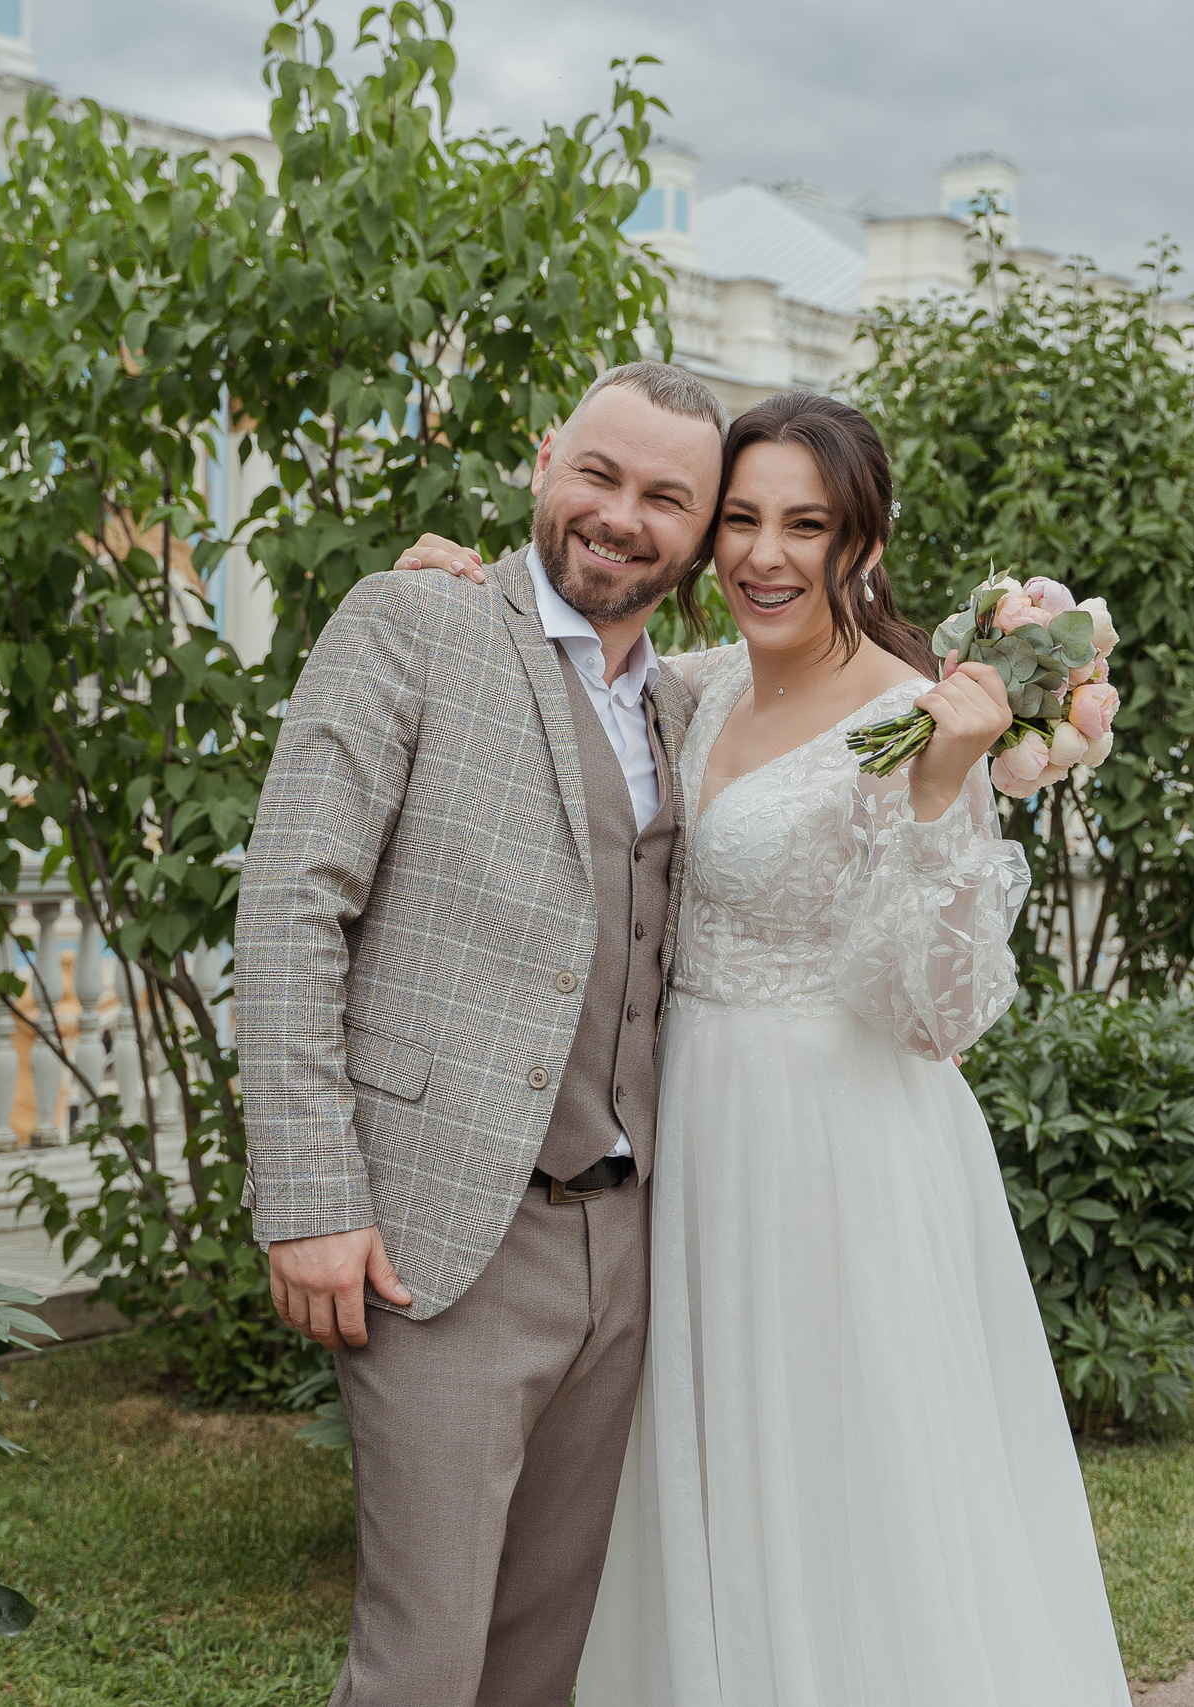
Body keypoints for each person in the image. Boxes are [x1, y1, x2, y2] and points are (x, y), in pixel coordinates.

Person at [391, 392, 1131, 1704]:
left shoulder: (922, 717)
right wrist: (460, 596)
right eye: (740, 519)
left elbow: (938, 1016)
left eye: (807, 524)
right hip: (688, 1134)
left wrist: (945, 787)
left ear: (867, 541)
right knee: (688, 1475)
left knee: (838, 1485)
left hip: (835, 1156)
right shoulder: (701, 685)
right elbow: (553, 702)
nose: (765, 555)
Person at [236, 361, 726, 1707]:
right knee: (425, 1660)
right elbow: (291, 906)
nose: (623, 518)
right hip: (440, 1235)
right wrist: (310, 1198)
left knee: (540, 1660)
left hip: (625, 1246)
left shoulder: (689, 708)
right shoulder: (417, 621)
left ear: (700, 532)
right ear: (544, 461)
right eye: (602, 476)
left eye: (666, 499)